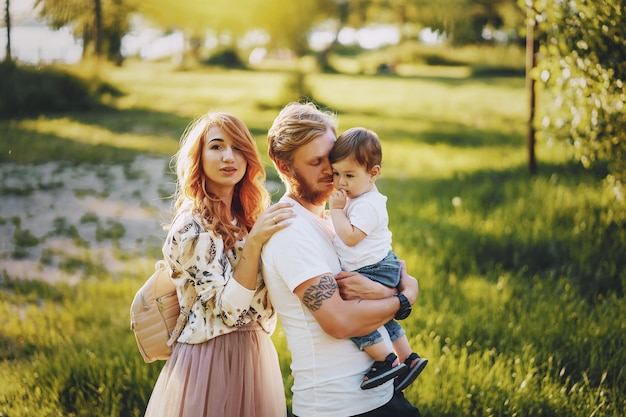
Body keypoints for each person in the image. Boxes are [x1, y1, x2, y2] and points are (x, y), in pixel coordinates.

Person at [262, 102, 422, 417]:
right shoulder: (290, 230)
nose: (330, 170)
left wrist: (386, 291)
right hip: (340, 406)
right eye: (316, 161)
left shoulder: (330, 219)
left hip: (377, 395)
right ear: (283, 165)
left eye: (333, 157)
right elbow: (340, 320)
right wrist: (404, 299)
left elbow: (362, 287)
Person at [144, 112, 294, 417]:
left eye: (238, 148)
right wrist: (253, 246)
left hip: (255, 354)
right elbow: (226, 310)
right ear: (199, 156)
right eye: (217, 146)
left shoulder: (248, 219)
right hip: (210, 359)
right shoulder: (192, 228)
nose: (229, 157)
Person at [328, 127, 428, 391]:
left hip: (376, 269)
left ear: (373, 174)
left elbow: (350, 237)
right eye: (336, 173)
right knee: (384, 317)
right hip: (378, 266)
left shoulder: (369, 204)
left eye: (349, 175)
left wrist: (335, 212)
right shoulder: (357, 197)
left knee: (356, 314)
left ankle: (385, 360)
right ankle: (409, 357)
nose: (341, 182)